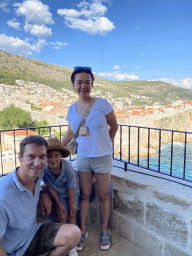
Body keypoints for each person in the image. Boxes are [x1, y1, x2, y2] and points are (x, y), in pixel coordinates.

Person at [61, 66, 118, 251]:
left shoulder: (102, 104)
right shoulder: (72, 108)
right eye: (79, 82)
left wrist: (107, 142)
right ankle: (82, 231)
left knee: (103, 195)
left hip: (102, 157)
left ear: (92, 84)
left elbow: (114, 126)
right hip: (83, 158)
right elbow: (71, 132)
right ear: (73, 85)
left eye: (87, 82)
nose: (83, 85)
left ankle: (104, 230)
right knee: (84, 195)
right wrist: (56, 147)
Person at [0, 135, 81, 256]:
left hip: (33, 234)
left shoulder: (37, 177)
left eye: (42, 156)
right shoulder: (3, 197)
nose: (37, 163)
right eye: (31, 157)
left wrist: (43, 193)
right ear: (20, 157)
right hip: (12, 251)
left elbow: (47, 184)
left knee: (74, 233)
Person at [43, 138, 80, 256]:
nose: (52, 159)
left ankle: (72, 245)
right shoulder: (45, 170)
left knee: (72, 215)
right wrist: (59, 205)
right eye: (49, 156)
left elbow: (71, 188)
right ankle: (63, 241)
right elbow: (50, 187)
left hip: (72, 193)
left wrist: (71, 205)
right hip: (58, 195)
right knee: (62, 217)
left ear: (61, 156)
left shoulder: (68, 168)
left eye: (56, 155)